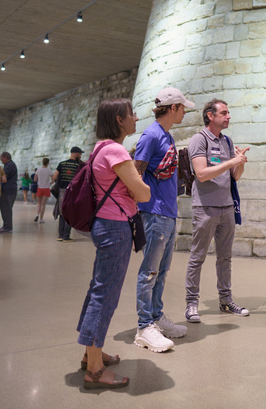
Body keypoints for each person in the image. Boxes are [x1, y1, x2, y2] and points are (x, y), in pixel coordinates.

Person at [78, 98, 150, 390]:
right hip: (116, 227)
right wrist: (140, 187)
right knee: (105, 295)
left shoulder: (99, 149)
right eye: (132, 114)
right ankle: (95, 370)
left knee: (98, 290)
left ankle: (91, 354)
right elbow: (143, 193)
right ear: (120, 119)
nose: (136, 118)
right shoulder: (117, 150)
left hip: (104, 225)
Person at [133, 88, 194, 352]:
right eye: (183, 108)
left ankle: (156, 317)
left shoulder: (167, 135)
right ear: (172, 108)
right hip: (154, 212)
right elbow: (136, 172)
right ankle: (144, 326)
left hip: (167, 212)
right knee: (149, 271)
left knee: (162, 270)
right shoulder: (151, 135)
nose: (184, 112)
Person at [184, 99, 250, 323]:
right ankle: (192, 304)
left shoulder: (227, 141)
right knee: (197, 256)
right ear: (210, 116)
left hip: (227, 207)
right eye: (224, 113)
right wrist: (232, 162)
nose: (228, 116)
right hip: (205, 208)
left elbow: (235, 177)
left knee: (225, 258)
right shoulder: (199, 140)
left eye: (228, 113)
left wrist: (239, 162)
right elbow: (201, 174)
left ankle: (226, 300)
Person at [53, 147, 85, 241]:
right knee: (70, 213)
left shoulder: (61, 164)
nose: (80, 156)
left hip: (62, 190)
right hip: (72, 191)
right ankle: (66, 236)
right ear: (76, 154)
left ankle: (60, 235)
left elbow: (55, 177)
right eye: (80, 154)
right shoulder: (78, 165)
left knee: (62, 213)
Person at [0, 152, 18, 233]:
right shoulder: (8, 165)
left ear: (5, 157)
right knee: (5, 209)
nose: (1, 160)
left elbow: (3, 176)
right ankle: (6, 225)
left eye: (1, 158)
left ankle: (8, 227)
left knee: (6, 209)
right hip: (8, 190)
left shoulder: (10, 165)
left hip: (8, 190)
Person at [33, 159, 53, 223]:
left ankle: (37, 214)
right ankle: (41, 218)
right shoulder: (49, 170)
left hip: (39, 188)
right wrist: (49, 183)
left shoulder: (38, 170)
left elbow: (35, 180)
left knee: (38, 203)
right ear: (48, 163)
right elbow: (53, 180)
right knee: (43, 204)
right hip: (46, 188)